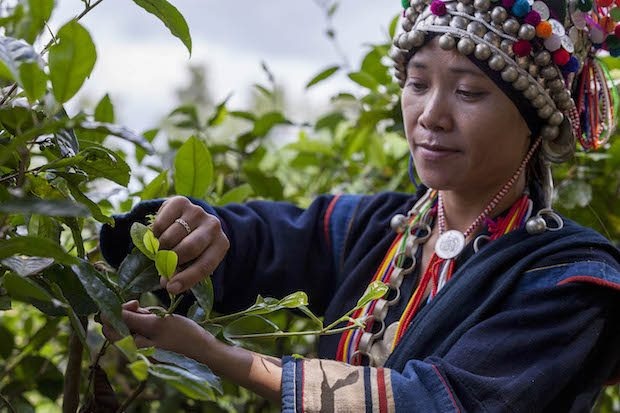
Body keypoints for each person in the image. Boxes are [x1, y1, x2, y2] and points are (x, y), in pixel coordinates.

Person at [100, 0, 620, 411]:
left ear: (534, 119)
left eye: (468, 92)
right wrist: (189, 230)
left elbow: (433, 403)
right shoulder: (374, 227)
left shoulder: (569, 279)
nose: (430, 116)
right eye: (417, 84)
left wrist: (218, 357)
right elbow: (261, 239)